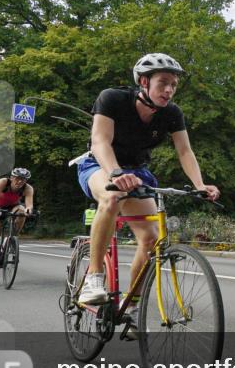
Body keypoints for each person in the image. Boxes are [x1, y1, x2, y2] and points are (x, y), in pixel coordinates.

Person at [75, 53, 220, 334]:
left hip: (137, 170)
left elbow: (184, 151)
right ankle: (94, 277)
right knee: (112, 196)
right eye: (163, 83)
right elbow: (100, 141)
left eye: (174, 85)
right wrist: (116, 173)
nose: (169, 90)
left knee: (152, 239)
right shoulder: (113, 99)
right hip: (99, 163)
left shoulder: (171, 113)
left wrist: (200, 185)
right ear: (143, 81)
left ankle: (131, 307)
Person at [0, 168, 35, 279]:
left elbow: (29, 204)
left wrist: (29, 210)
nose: (20, 181)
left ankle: (12, 237)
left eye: (23, 179)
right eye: (18, 178)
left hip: (13, 207)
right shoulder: (3, 182)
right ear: (11, 178)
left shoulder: (28, 188)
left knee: (22, 211)